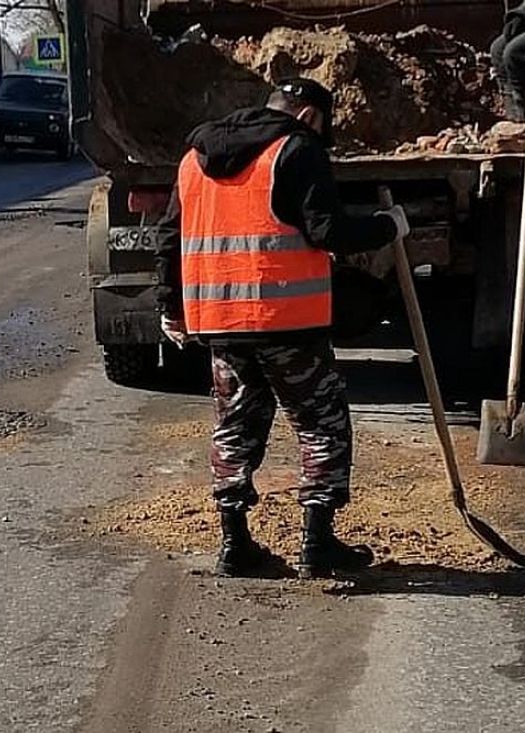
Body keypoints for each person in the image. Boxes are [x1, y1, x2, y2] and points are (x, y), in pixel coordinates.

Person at [154, 78, 410, 579]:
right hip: (288, 324)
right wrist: (388, 225)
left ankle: (235, 544)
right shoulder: (297, 149)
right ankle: (318, 544)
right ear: (311, 115)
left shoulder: (193, 158)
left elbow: (168, 237)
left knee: (235, 428)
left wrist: (171, 308)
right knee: (320, 424)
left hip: (221, 325)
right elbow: (328, 232)